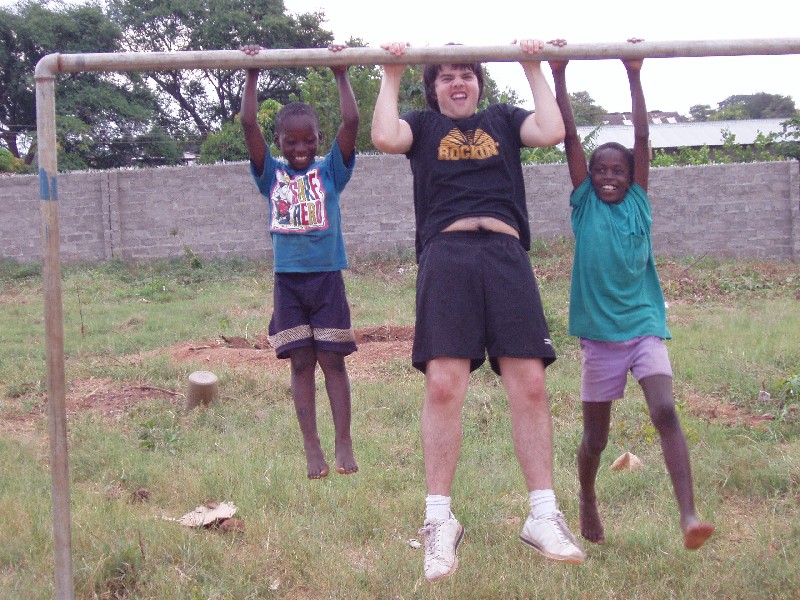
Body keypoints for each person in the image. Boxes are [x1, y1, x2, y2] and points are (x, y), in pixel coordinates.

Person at [371, 39, 586, 582]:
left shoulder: (504, 119)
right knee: (444, 383)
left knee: (530, 383)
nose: (457, 82)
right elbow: (382, 135)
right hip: (447, 254)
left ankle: (542, 514)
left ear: (479, 84)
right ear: (434, 88)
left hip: (506, 254)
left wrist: (533, 66)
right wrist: (391, 73)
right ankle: (439, 522)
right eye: (446, 77)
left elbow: (552, 130)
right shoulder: (420, 125)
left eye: (466, 74)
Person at [548, 39, 715, 551]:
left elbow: (642, 135)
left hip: (643, 323)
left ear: (631, 176)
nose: (608, 178)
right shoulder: (584, 205)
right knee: (595, 439)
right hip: (600, 337)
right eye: (600, 171)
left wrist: (634, 72)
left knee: (664, 410)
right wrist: (559, 74)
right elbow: (571, 136)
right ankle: (587, 498)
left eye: (617, 171)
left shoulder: (640, 203)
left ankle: (688, 514)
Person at [240, 44, 360, 479]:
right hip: (288, 283)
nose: (301, 147)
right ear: (280, 144)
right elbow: (248, 122)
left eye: (308, 139)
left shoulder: (330, 171)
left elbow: (352, 122)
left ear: (317, 139)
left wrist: (341, 73)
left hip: (326, 279)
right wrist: (251, 73)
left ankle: (342, 440)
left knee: (333, 361)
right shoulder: (270, 173)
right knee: (302, 362)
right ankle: (312, 449)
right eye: (292, 142)